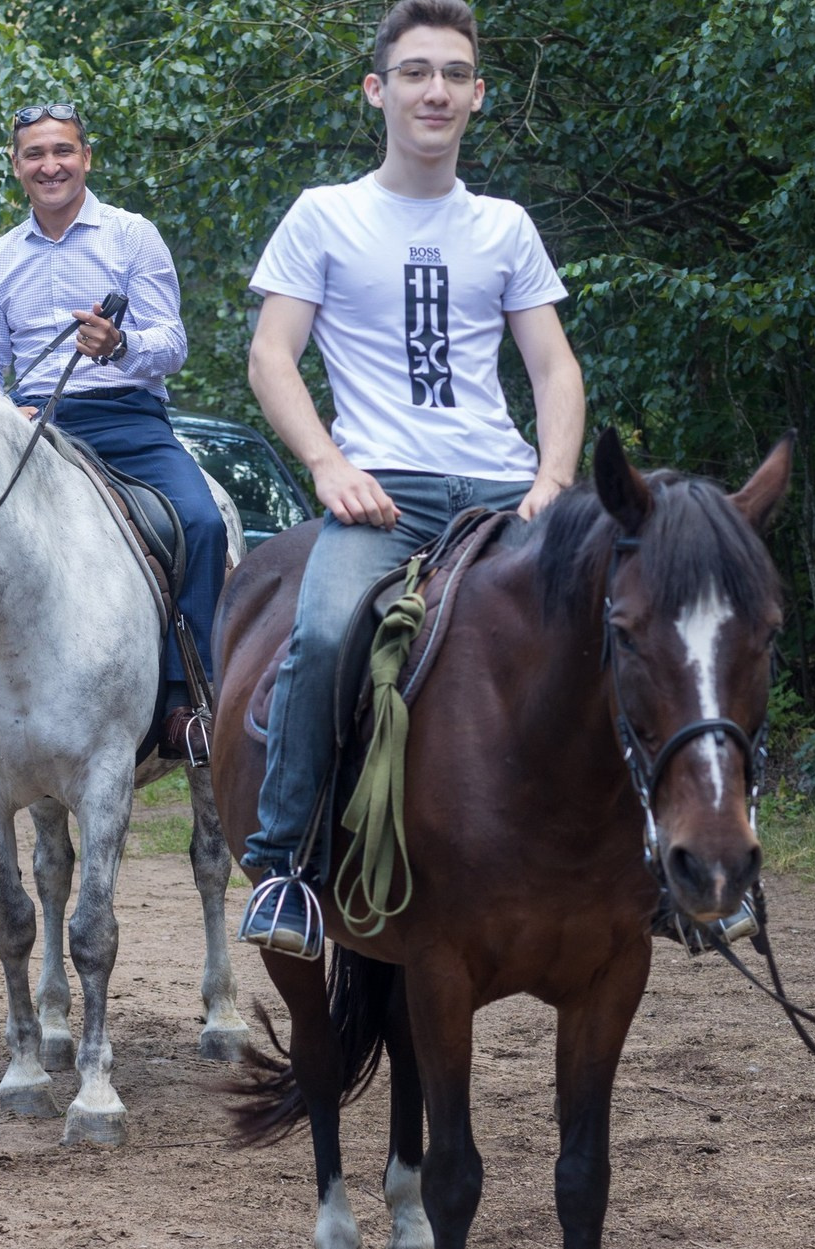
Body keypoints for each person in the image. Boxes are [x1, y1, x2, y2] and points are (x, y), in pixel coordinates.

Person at [237, 0, 586, 955]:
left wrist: (554, 477)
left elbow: (554, 369)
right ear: (377, 90)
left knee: (624, 613)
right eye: (417, 71)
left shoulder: (505, 227)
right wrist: (327, 465)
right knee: (317, 635)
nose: (436, 90)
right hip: (379, 491)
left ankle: (652, 858)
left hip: (502, 490)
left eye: (455, 74)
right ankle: (285, 871)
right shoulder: (326, 214)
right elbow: (273, 357)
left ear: (478, 96)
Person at [0, 101, 224, 759]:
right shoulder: (3, 257)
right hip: (33, 426)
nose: (51, 165)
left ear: (85, 158)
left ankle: (189, 700)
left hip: (129, 420)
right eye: (35, 154)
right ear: (17, 168)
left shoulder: (131, 235)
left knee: (203, 522)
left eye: (62, 151)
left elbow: (173, 341)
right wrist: (4, 414)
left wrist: (120, 344)